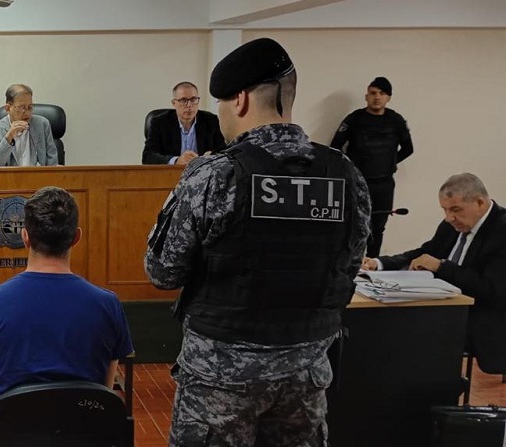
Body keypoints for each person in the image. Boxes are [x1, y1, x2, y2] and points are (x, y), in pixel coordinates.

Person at [145, 38, 371, 447]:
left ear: (240, 100)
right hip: (306, 374)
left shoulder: (215, 175)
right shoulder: (346, 175)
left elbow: (162, 271)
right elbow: (349, 266)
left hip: (222, 380)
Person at [0, 186, 133, 434]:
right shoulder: (109, 304)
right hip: (83, 429)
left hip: (15, 430)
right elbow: (105, 387)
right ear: (76, 237)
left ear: (25, 237)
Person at [363, 173, 506, 373]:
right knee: (385, 322)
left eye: (455, 209)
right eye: (445, 210)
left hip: (482, 318)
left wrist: (441, 267)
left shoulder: (502, 230)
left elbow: (491, 290)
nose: (449, 218)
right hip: (445, 309)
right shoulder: (453, 224)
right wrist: (379, 263)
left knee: (407, 332)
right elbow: (426, 253)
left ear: (480, 202)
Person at [330, 76, 414, 257]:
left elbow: (408, 149)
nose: (377, 97)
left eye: (382, 93)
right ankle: (349, 265)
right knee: (353, 225)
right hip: (358, 182)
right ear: (366, 96)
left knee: (377, 228)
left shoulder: (396, 120)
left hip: (384, 184)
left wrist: (389, 163)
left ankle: (372, 264)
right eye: (373, 93)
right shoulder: (355, 119)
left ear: (388, 97)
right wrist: (349, 169)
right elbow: (335, 147)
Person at [142, 81, 226, 165]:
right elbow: (148, 156)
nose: (189, 105)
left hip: (203, 171)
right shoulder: (159, 122)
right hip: (171, 172)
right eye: (183, 100)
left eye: (193, 100)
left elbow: (224, 151)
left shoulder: (211, 121)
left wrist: (211, 156)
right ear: (174, 103)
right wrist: (176, 161)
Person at [0, 84, 59, 167]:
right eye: (21, 108)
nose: (27, 113)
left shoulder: (42, 124)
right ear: (8, 108)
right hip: (10, 176)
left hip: (38, 175)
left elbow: (52, 163)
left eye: (30, 107)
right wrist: (9, 137)